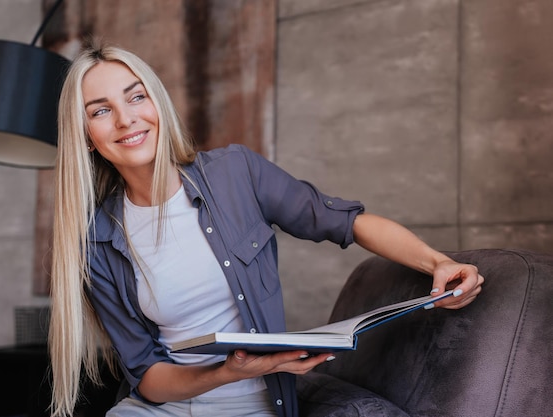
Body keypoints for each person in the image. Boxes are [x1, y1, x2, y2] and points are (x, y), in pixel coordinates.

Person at [48, 39, 484, 417]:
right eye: (101, 111)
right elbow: (148, 377)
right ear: (86, 136)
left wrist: (438, 262)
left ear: (157, 103)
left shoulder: (236, 173)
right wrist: (227, 370)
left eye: (136, 97)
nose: (126, 120)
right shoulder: (97, 242)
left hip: (252, 404)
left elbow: (349, 222)